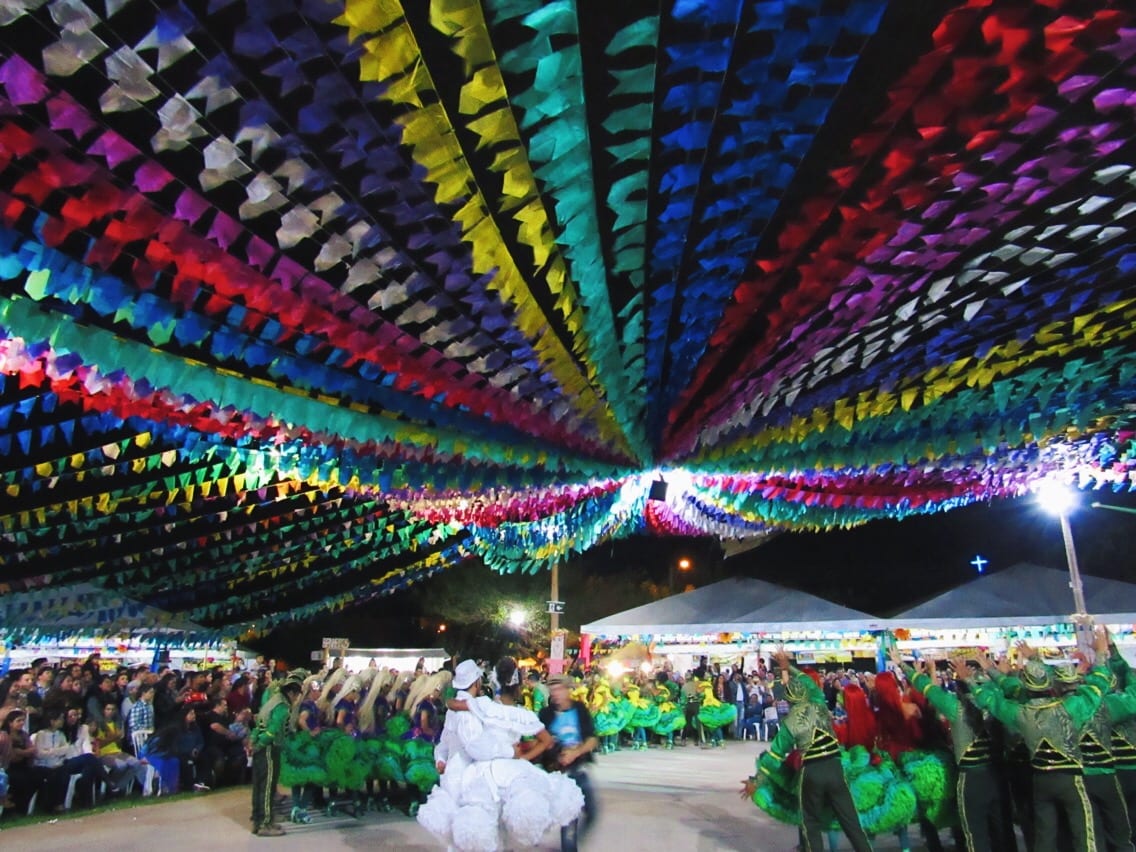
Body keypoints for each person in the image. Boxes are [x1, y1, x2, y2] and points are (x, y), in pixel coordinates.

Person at [963, 627, 1113, 852]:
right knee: (1084, 833)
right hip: (1070, 780)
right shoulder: (1069, 708)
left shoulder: (1022, 714)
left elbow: (992, 701)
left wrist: (973, 682)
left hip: (1041, 781)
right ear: (1050, 685)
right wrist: (1101, 655)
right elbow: (1099, 685)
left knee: (1044, 837)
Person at [745, 650, 872, 852]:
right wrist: (789, 666)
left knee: (810, 826)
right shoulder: (819, 704)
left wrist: (756, 781)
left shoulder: (789, 724)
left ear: (789, 699)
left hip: (811, 773)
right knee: (852, 824)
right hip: (835, 767)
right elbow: (809, 682)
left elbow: (774, 758)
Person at [540, 673, 600, 852]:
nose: (555, 694)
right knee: (569, 819)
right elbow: (540, 742)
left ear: (568, 690)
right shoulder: (546, 714)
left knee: (592, 813)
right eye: (552, 690)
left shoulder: (580, 709)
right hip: (558, 774)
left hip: (578, 767)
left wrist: (575, 752)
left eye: (559, 689)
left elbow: (592, 739)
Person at [249, 670, 304, 837]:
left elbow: (258, 724)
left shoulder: (272, 701)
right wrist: (260, 744)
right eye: (296, 695)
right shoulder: (283, 707)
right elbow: (273, 730)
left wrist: (253, 741)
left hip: (260, 748)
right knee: (267, 787)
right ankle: (266, 824)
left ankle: (259, 820)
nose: (296, 699)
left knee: (259, 786)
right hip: (269, 749)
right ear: (291, 692)